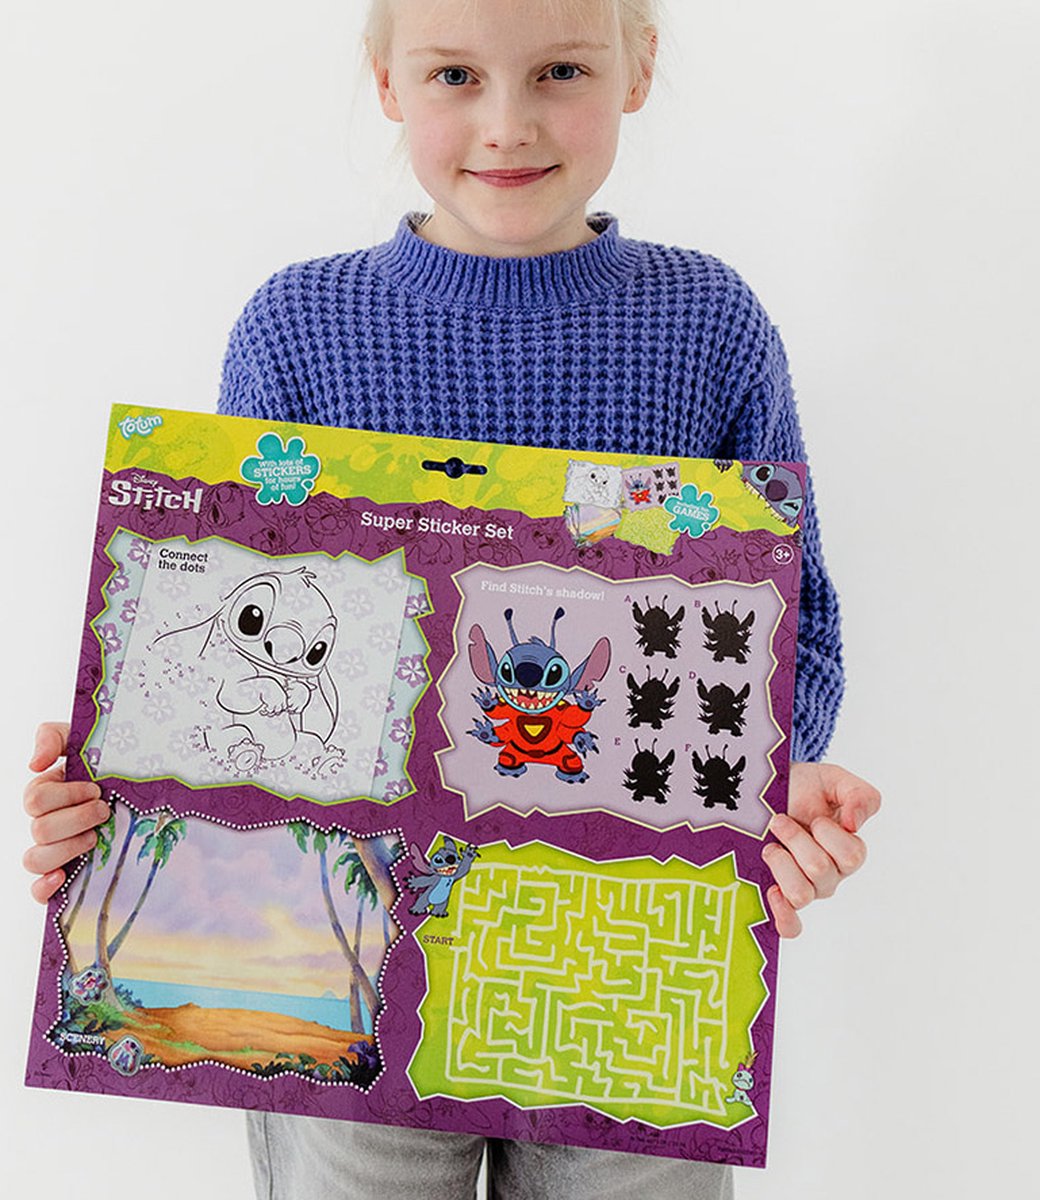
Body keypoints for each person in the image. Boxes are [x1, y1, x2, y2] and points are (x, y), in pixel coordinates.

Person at [22, 1, 881, 1197]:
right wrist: (123, 784)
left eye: (560, 69)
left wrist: (776, 787)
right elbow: (232, 617)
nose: (506, 122)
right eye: (453, 75)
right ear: (385, 81)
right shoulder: (299, 330)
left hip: (617, 968)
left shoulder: (707, 325)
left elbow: (797, 620)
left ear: (637, 66)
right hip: (340, 961)